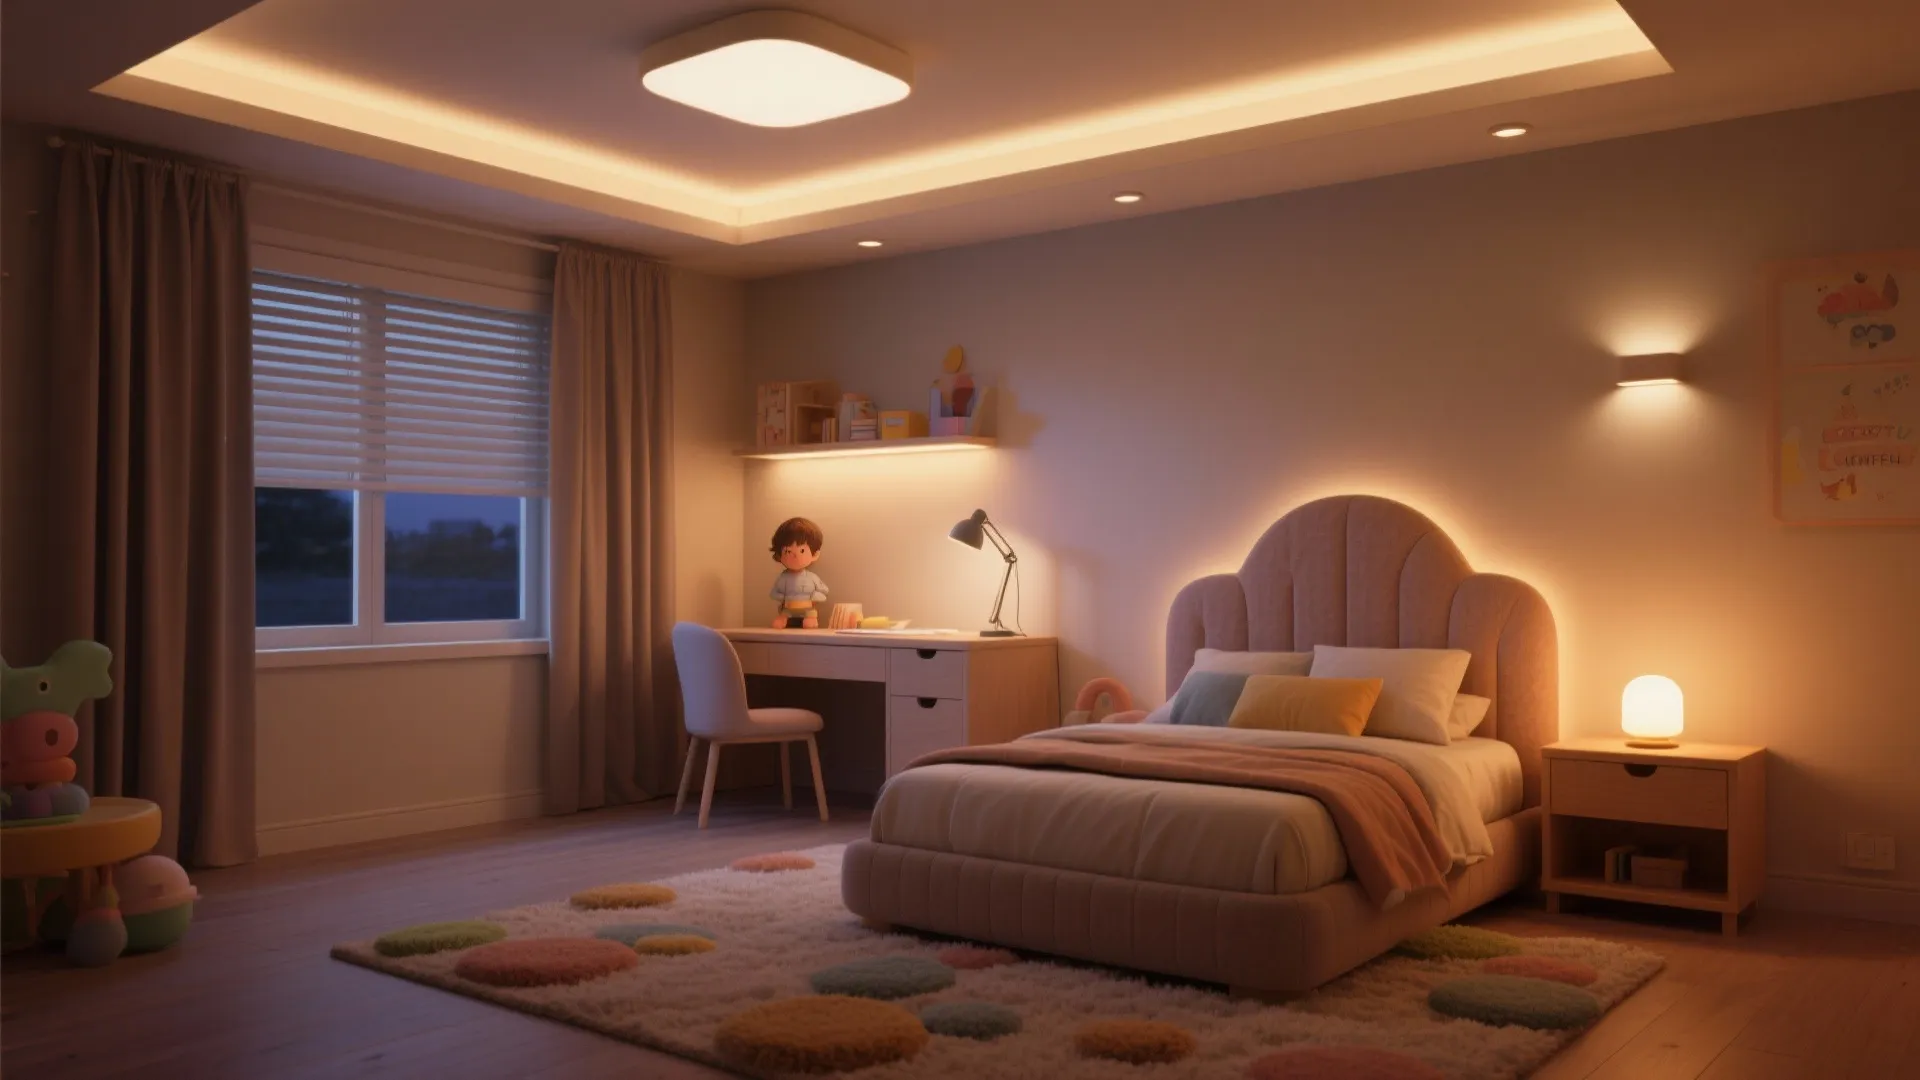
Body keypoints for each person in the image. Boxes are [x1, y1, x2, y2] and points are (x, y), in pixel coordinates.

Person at [768, 517, 828, 629]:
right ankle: (783, 618)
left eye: (802, 551)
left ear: (815, 554)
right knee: (780, 620)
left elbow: (823, 590)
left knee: (810, 620)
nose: (795, 555)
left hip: (807, 609)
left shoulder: (812, 578)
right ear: (780, 555)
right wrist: (782, 597)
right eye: (788, 551)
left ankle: (810, 619)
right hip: (788, 609)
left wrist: (815, 597)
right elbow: (775, 592)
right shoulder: (783, 578)